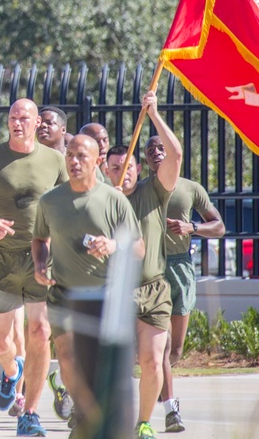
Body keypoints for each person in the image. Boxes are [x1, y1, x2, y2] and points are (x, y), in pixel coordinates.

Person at [0, 98, 68, 437]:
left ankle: (30, 414)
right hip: (0, 259)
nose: (18, 123)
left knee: (39, 333)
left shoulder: (54, 160)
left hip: (39, 255)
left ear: (37, 123)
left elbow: (70, 202)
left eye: (25, 118)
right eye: (13, 118)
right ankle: (11, 370)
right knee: (1, 344)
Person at [32, 134, 144, 438]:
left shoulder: (114, 199)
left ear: (97, 161)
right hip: (63, 294)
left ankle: (104, 421)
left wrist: (112, 245)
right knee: (68, 360)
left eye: (82, 156)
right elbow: (39, 239)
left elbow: (138, 247)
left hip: (104, 297)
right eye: (70, 155)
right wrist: (40, 265)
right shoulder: (50, 200)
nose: (73, 161)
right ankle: (84, 420)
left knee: (101, 365)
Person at [105, 91, 182, 439]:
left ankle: (144, 421)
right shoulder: (100, 199)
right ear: (107, 171)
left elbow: (176, 154)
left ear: (139, 167)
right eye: (116, 168)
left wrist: (153, 114)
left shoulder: (155, 190)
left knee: (152, 361)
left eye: (129, 167)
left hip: (154, 288)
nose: (124, 173)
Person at [146, 136, 225, 433]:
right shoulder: (142, 189)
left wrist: (192, 227)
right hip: (152, 269)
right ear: (145, 161)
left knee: (175, 351)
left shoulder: (191, 189)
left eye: (160, 148)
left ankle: (159, 382)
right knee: (162, 347)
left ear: (173, 155)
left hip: (180, 267)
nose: (156, 152)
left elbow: (218, 226)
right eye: (150, 150)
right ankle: (171, 410)